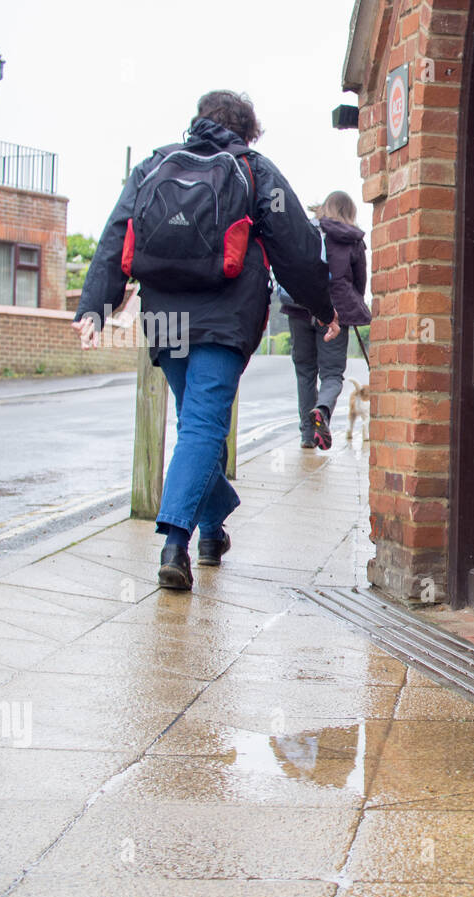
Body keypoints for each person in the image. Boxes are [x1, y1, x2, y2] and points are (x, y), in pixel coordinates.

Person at [73, 90, 338, 591]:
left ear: (198, 121)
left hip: (165, 316)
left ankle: (212, 532)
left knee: (197, 424)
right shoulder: (253, 168)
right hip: (226, 317)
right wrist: (323, 307)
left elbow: (117, 233)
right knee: (201, 426)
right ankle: (176, 543)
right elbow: (298, 249)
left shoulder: (154, 164)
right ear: (248, 131)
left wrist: (95, 306)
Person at [283, 189, 372, 449]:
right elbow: (360, 283)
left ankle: (307, 435)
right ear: (350, 212)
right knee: (332, 374)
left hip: (299, 307)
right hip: (335, 313)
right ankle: (322, 409)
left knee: (305, 372)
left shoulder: (307, 231)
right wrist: (353, 305)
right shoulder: (353, 239)